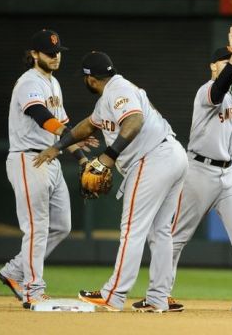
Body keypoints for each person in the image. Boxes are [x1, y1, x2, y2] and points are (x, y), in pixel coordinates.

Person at [34, 51, 188, 312]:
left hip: (153, 159)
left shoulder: (119, 90)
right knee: (160, 231)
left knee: (132, 230)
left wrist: (108, 156)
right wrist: (58, 146)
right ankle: (158, 297)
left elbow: (135, 121)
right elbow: (87, 126)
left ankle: (113, 294)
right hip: (172, 155)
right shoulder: (112, 94)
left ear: (90, 79)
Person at [134, 26, 232, 313]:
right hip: (199, 172)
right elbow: (221, 85)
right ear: (213, 65)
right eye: (226, 61)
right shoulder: (208, 91)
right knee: (177, 234)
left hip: (227, 174)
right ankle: (158, 294)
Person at [0, 29, 95, 309]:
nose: (56, 57)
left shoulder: (53, 83)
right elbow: (41, 116)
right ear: (34, 55)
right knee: (36, 227)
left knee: (62, 226)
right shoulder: (28, 82)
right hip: (28, 160)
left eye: (58, 52)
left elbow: (62, 131)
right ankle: (32, 289)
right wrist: (71, 134)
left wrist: (81, 158)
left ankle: (13, 272)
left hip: (49, 160)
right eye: (50, 53)